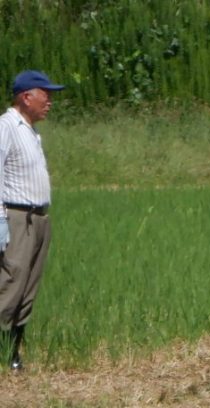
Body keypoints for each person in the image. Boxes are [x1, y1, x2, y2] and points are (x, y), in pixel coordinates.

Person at [0, 70, 64, 371]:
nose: (49, 101)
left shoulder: (31, 132)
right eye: (45, 95)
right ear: (26, 97)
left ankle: (13, 354)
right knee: (10, 282)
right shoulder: (6, 127)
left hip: (38, 219)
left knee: (28, 287)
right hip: (17, 218)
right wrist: (1, 220)